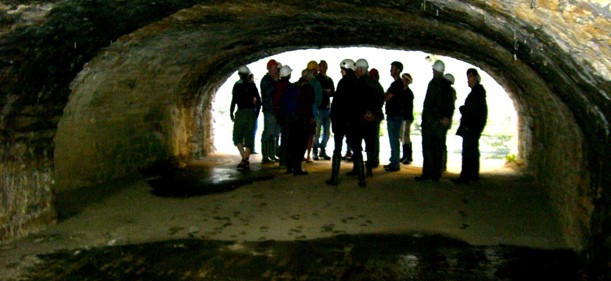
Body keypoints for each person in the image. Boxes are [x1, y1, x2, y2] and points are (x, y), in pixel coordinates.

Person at [415, 60, 455, 181]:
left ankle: (427, 173)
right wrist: (446, 118)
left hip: (431, 123)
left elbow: (429, 105)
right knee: (438, 149)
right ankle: (436, 174)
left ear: (435, 71)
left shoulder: (433, 84)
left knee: (428, 148)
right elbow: (450, 105)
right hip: (441, 124)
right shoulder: (448, 88)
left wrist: (432, 119)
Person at [326, 59, 359, 186]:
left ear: (346, 70)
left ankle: (334, 178)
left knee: (337, 149)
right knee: (357, 149)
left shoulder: (343, 82)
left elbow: (338, 103)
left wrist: (333, 118)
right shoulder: (357, 82)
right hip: (352, 121)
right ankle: (361, 179)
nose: (341, 71)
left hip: (340, 121)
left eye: (342, 69)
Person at [452, 68, 488, 184]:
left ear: (476, 78)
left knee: (468, 152)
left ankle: (466, 176)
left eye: (470, 77)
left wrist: (469, 123)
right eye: (468, 77)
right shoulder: (478, 92)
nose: (468, 80)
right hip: (473, 127)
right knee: (472, 151)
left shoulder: (477, 93)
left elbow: (475, 111)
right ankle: (472, 175)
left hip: (471, 127)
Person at [281, 69, 315, 175]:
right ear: (309, 76)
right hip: (302, 120)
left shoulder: (294, 85)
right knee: (301, 144)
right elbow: (309, 105)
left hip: (291, 119)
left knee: (291, 143)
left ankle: (289, 167)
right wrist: (311, 118)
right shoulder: (308, 88)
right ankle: (297, 168)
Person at [230, 66, 262, 170]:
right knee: (249, 137)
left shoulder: (237, 85)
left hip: (241, 112)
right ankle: (245, 160)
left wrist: (231, 113)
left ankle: (244, 158)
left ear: (239, 74)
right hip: (251, 113)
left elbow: (234, 101)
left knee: (237, 136)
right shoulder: (252, 85)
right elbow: (259, 101)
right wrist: (256, 113)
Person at [383, 61, 406, 172]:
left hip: (394, 116)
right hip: (397, 115)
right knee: (394, 139)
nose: (390, 70)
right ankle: (394, 160)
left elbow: (386, 97)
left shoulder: (396, 84)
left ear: (398, 70)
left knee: (393, 140)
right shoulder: (399, 84)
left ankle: (395, 164)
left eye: (392, 68)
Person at [260, 59, 280, 164]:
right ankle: (265, 155)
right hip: (269, 110)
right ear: (269, 69)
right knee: (268, 132)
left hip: (276, 110)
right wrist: (276, 82)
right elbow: (269, 93)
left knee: (276, 133)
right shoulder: (265, 80)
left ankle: (273, 154)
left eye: (276, 68)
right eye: (274, 68)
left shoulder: (274, 79)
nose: (276, 70)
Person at [314, 60, 335, 161]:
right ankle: (315, 150)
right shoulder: (316, 79)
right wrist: (325, 91)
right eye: (322, 66)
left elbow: (333, 92)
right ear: (319, 67)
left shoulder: (329, 79)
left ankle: (322, 149)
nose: (324, 67)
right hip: (318, 108)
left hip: (326, 107)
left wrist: (327, 92)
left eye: (325, 65)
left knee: (327, 131)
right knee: (317, 131)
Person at [273, 65, 293, 168]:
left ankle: (283, 161)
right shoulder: (289, 87)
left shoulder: (278, 86)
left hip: (281, 116)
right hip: (288, 117)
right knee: (287, 139)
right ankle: (285, 161)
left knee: (284, 138)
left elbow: (275, 102)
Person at [305, 60, 323, 162]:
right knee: (311, 134)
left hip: (303, 112)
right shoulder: (316, 83)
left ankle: (302, 154)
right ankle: (308, 155)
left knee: (304, 133)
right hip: (313, 111)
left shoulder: (301, 82)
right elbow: (319, 99)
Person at [442, 73, 457, 171]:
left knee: (440, 143)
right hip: (447, 120)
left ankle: (441, 164)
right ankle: (442, 164)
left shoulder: (447, 91)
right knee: (442, 142)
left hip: (443, 120)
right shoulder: (452, 91)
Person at [400, 73, 415, 164]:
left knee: (405, 136)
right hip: (404, 117)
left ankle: (408, 156)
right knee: (403, 136)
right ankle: (406, 156)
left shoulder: (408, 93)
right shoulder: (405, 92)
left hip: (406, 117)